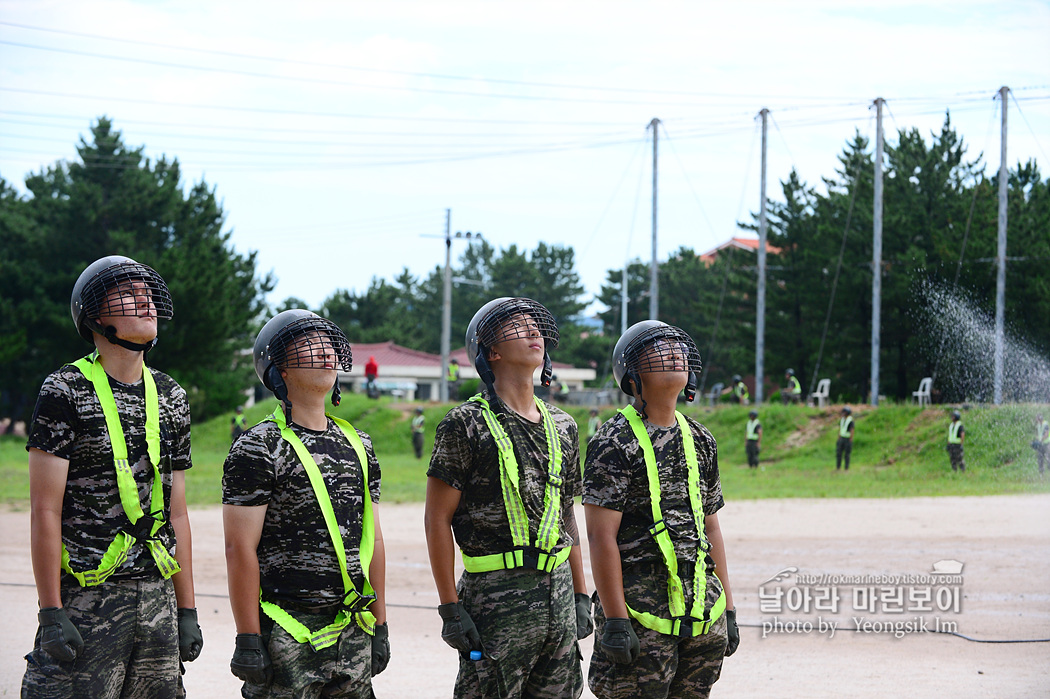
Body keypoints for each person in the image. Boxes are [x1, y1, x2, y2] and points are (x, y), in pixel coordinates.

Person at [22, 255, 202, 698]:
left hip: (156, 598)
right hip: (87, 600)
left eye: (149, 295)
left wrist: (187, 608)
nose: (145, 303)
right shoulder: (65, 389)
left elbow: (177, 514)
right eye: (128, 294)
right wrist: (50, 612)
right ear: (96, 317)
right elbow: (45, 508)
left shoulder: (172, 395)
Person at [424, 297, 590, 698]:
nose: (532, 331)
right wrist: (450, 607)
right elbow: (436, 520)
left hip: (559, 594)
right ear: (491, 351)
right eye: (517, 326)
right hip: (495, 601)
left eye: (535, 325)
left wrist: (582, 593)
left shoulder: (564, 425)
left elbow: (566, 515)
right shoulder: (464, 424)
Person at [222, 310, 388, 698]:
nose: (324, 351)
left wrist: (381, 623)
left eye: (328, 343)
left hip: (353, 630)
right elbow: (239, 548)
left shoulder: (359, 444)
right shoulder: (258, 446)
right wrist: (248, 637)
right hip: (285, 633)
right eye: (308, 345)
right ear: (278, 369)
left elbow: (374, 542)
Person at [583, 320, 739, 699]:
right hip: (639, 615)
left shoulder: (701, 439)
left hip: (701, 611)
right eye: (658, 348)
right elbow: (600, 536)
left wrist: (728, 610)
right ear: (633, 375)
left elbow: (710, 527)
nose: (673, 353)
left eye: (678, 347)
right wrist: (616, 619)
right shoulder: (613, 441)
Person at [836, 406, 855, 471]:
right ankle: (838, 467)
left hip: (847, 439)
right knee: (839, 453)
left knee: (847, 454)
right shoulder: (842, 419)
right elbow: (840, 429)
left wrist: (851, 439)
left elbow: (852, 430)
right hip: (841, 438)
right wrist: (839, 437)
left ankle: (846, 468)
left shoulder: (850, 420)